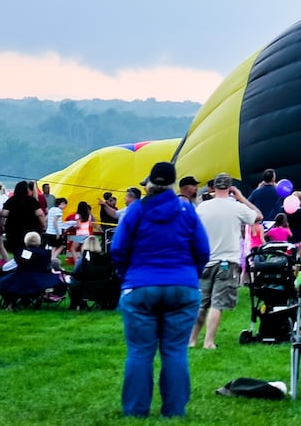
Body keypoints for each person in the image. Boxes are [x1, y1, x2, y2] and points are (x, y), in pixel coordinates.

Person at [110, 161, 209, 418]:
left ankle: (135, 411)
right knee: (175, 351)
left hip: (140, 285)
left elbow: (118, 249)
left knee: (140, 351)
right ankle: (174, 411)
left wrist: (129, 276)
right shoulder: (187, 211)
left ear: (150, 182)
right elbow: (202, 251)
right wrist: (188, 276)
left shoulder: (135, 211)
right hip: (183, 286)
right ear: (174, 184)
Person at [189, 172, 260, 349]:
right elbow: (258, 216)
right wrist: (241, 198)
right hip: (227, 262)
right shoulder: (236, 207)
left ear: (213, 187)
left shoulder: (203, 207)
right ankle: (209, 342)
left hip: (206, 261)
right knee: (217, 303)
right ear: (230, 188)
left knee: (201, 303)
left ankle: (191, 340)